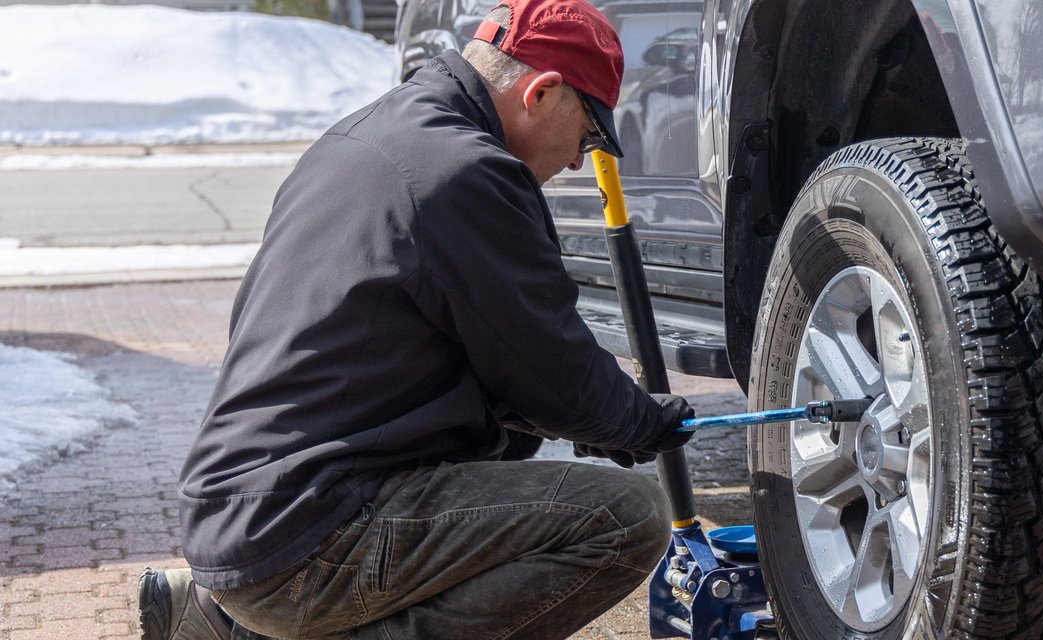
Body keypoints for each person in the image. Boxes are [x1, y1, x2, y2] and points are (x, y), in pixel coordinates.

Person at [135, 0, 695, 637]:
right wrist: (636, 420)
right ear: (542, 94)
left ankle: (220, 621)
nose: (576, 161)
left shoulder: (365, 136)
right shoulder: (469, 173)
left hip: (245, 516)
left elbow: (460, 359)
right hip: (308, 536)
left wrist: (581, 415)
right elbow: (553, 370)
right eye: (587, 133)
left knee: (513, 449)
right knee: (626, 517)